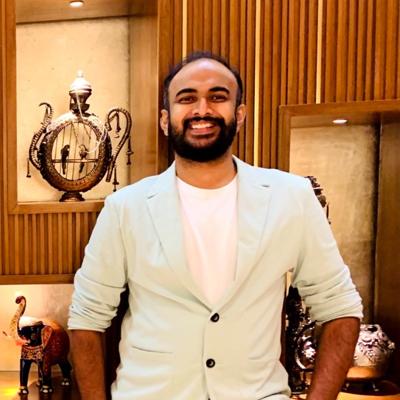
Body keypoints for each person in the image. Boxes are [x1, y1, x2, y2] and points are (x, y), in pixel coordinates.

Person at [68, 51, 363, 400]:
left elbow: (340, 308)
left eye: (218, 97)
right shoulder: (125, 208)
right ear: (165, 119)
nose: (202, 109)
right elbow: (87, 318)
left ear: (240, 114)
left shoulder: (291, 197)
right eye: (186, 98)